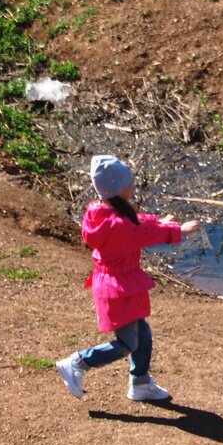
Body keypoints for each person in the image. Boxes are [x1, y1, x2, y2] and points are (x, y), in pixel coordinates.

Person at [57, 155, 200, 401]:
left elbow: (135, 224)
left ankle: (141, 382)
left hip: (118, 282)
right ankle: (78, 362)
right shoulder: (118, 226)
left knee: (141, 332)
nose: (134, 186)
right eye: (130, 183)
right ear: (119, 188)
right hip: (117, 287)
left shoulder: (101, 211)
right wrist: (178, 230)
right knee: (127, 343)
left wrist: (159, 220)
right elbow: (139, 233)